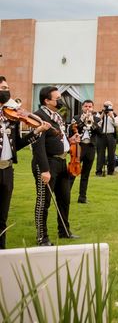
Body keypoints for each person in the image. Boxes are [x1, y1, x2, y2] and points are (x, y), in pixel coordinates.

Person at [0, 76, 49, 249]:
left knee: (2, 216)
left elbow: (18, 145)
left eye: (7, 87)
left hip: (7, 170)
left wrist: (37, 130)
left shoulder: (11, 117)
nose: (6, 91)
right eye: (2, 88)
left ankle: (2, 252)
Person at [32, 86, 81, 246]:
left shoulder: (58, 116)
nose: (60, 101)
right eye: (57, 98)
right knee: (44, 201)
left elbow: (59, 137)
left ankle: (64, 231)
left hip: (61, 162)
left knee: (64, 198)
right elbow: (38, 146)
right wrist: (45, 170)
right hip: (48, 163)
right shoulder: (38, 117)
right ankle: (42, 237)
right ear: (46, 101)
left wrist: (70, 140)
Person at [68, 100, 101, 203]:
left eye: (90, 106)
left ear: (92, 108)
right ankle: (66, 194)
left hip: (90, 147)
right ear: (82, 107)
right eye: (86, 106)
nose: (88, 108)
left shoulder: (97, 118)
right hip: (79, 146)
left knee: (86, 174)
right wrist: (82, 122)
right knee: (73, 171)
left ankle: (82, 197)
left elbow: (100, 132)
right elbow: (71, 131)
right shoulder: (76, 118)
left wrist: (92, 122)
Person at [95, 100, 118, 176]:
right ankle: (99, 171)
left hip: (110, 136)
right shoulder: (98, 114)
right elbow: (96, 123)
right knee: (100, 154)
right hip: (101, 135)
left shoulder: (114, 114)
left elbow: (117, 124)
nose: (108, 107)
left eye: (109, 105)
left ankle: (111, 171)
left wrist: (112, 116)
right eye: (106, 105)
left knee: (111, 154)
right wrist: (102, 114)